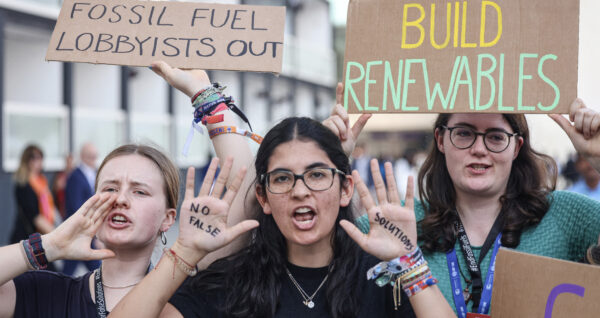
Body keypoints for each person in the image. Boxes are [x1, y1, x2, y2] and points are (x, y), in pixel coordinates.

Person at [108, 63, 455, 318]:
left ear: (345, 188)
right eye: (283, 178)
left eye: (317, 175)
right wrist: (183, 252)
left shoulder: (383, 283)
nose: (301, 191)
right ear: (263, 197)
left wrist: (410, 262)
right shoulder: (229, 284)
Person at [325, 91, 600, 316]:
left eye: (495, 136)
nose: (479, 149)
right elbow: (311, 240)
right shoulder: (403, 222)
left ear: (516, 147)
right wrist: (328, 158)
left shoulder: (563, 214)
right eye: (464, 133)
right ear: (441, 140)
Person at [0, 141, 245, 317]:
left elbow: (249, 190)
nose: (120, 199)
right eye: (109, 189)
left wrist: (206, 97)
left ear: (168, 219)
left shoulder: (188, 301)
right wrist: (48, 246)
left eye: (139, 191)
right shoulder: (48, 293)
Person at [63, 142, 101, 275]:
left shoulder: (95, 173)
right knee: (70, 268)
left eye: (95, 156)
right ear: (83, 156)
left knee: (94, 267)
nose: (93, 160)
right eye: (91, 156)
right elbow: (76, 207)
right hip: (78, 230)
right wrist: (92, 232)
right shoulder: (76, 176)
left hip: (86, 230)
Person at [10, 145, 56, 244]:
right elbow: (35, 216)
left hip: (43, 236)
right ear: (28, 161)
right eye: (36, 158)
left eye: (40, 158)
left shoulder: (42, 182)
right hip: (27, 239)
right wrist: (55, 235)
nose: (40, 162)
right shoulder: (23, 185)